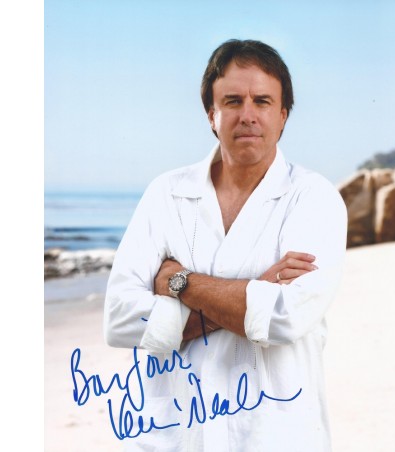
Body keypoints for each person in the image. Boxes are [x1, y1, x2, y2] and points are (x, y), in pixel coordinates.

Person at [104, 39, 347, 452]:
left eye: (263, 101)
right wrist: (256, 290)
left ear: (283, 115)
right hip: (173, 436)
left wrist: (180, 282)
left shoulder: (314, 198)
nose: (247, 115)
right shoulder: (166, 194)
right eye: (232, 101)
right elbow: (120, 319)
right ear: (211, 115)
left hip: (274, 437)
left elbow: (284, 318)